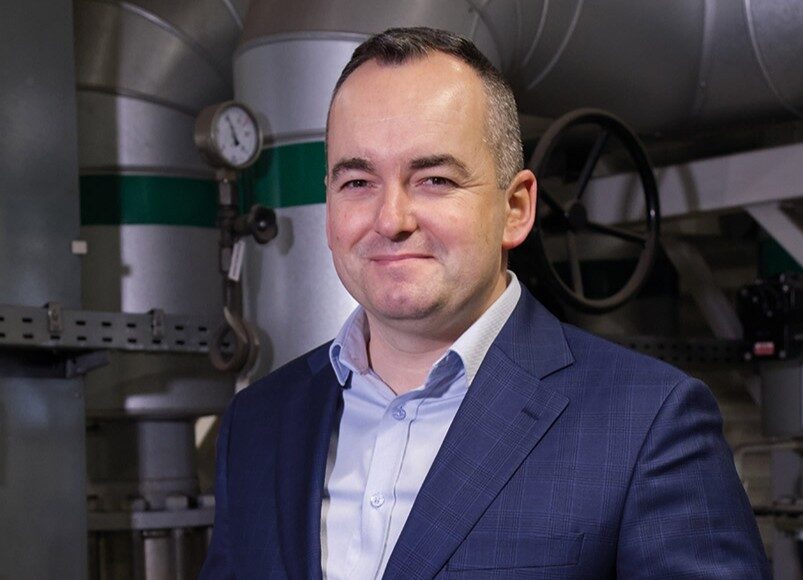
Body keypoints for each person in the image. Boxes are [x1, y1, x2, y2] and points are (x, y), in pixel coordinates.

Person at [200, 27, 770, 579]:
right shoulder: (258, 424)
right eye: (357, 183)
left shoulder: (646, 423)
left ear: (516, 208)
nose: (391, 220)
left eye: (435, 180)